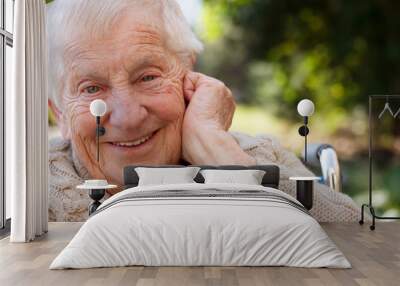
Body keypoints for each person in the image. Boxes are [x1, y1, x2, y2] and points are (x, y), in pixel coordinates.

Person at [47, 0, 359, 222]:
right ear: (59, 113)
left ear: (188, 76)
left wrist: (217, 151)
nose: (129, 117)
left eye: (148, 77)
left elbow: (360, 240)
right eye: (91, 88)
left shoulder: (255, 154)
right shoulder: (30, 189)